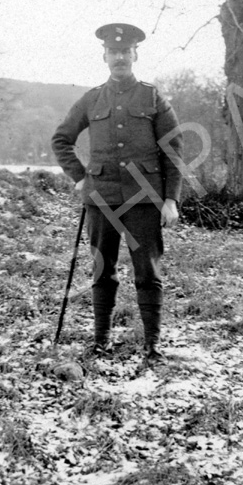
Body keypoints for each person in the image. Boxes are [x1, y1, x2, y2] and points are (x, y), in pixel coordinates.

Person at [51, 23, 183, 360]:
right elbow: (61, 139)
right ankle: (101, 340)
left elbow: (173, 151)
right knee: (101, 270)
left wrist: (170, 199)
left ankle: (152, 345)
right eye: (114, 52)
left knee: (147, 273)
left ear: (135, 54)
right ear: (105, 56)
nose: (120, 57)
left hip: (144, 199)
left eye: (126, 51)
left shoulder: (153, 97)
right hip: (101, 199)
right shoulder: (91, 98)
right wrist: (80, 177)